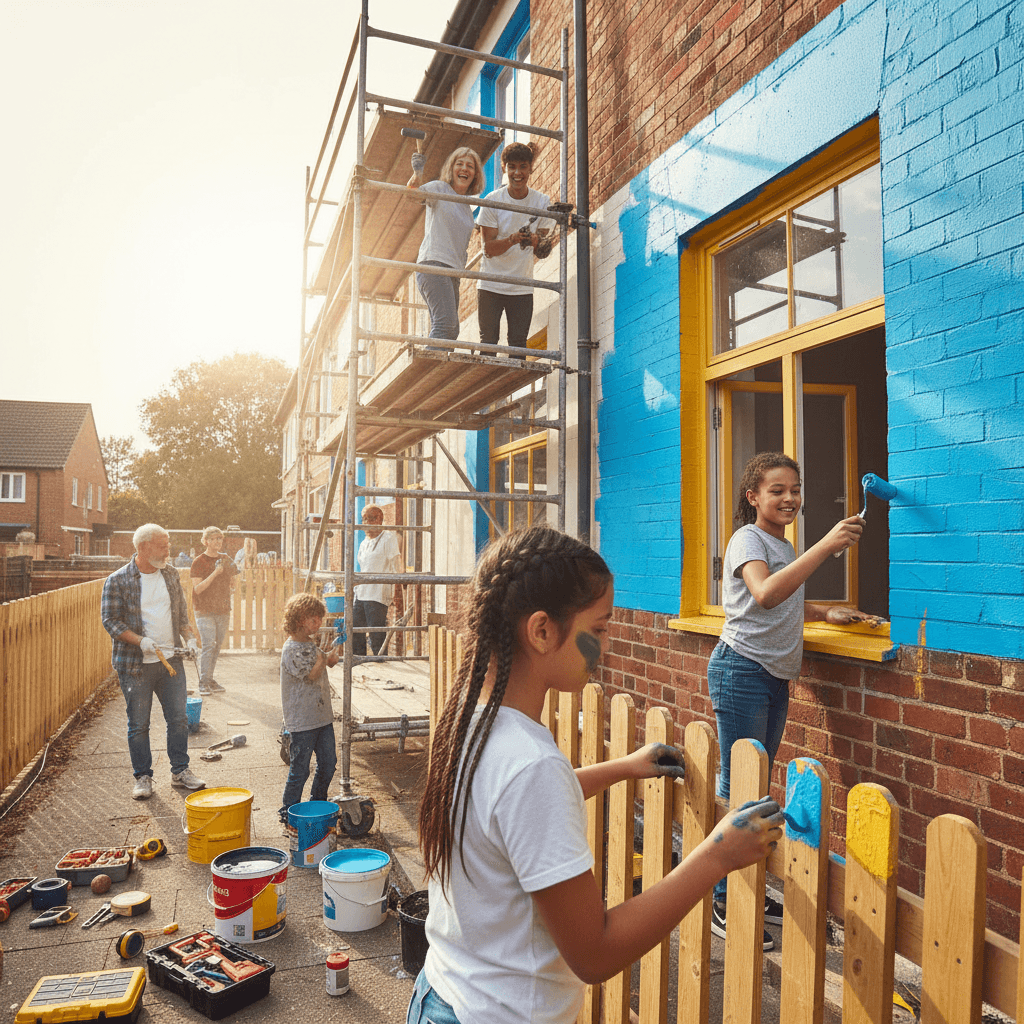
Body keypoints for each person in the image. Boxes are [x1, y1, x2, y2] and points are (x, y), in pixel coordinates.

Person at [408, 526, 783, 1024]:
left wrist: (624, 767)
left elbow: (507, 815)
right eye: (600, 628)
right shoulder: (529, 766)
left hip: (442, 992)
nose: (605, 646)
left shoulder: (468, 721)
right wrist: (716, 855)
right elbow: (595, 953)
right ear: (542, 630)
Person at [709, 452, 879, 949]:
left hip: (771, 676)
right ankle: (724, 901)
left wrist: (827, 613)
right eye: (777, 490)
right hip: (740, 670)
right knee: (741, 784)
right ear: (753, 496)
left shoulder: (782, 546)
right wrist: (826, 546)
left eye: (795, 490)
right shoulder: (748, 539)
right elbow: (763, 595)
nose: (789, 499)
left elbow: (783, 605)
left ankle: (750, 889)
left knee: (756, 785)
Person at [100, 523, 206, 800]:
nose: (168, 550)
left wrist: (190, 639)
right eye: (163, 545)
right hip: (136, 665)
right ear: (143, 547)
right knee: (139, 723)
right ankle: (143, 777)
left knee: (179, 719)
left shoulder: (169, 574)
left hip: (171, 661)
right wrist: (140, 640)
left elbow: (181, 614)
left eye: (168, 544)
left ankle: (180, 771)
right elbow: (110, 621)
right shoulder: (118, 580)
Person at [476, 142, 554, 347]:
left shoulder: (542, 202)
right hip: (490, 285)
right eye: (512, 167)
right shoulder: (493, 201)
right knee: (489, 343)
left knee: (518, 344)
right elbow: (488, 249)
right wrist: (512, 240)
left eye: (522, 167)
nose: (517, 173)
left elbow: (544, 250)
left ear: (530, 168)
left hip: (522, 287)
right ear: (504, 168)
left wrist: (535, 240)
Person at [407, 145, 486, 345]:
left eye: (470, 166)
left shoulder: (467, 209)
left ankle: (432, 368)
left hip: (453, 272)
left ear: (475, 174)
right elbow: (413, 195)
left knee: (451, 331)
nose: (464, 169)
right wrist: (417, 174)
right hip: (433, 265)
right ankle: (425, 373)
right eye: (459, 164)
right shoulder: (439, 188)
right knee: (445, 325)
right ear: (451, 168)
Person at [278, 593, 338, 824]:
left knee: (329, 762)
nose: (319, 624)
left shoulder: (309, 644)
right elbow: (313, 674)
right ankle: (288, 811)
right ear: (301, 619)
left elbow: (328, 662)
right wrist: (322, 656)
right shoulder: (292, 649)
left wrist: (334, 649)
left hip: (322, 717)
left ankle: (317, 802)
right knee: (300, 769)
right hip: (302, 720)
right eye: (315, 620)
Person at [190, 526, 239, 696]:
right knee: (209, 644)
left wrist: (231, 585)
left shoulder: (226, 559)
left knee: (216, 646)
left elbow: (234, 579)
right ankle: (203, 682)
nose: (218, 541)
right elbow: (197, 589)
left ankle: (210, 679)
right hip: (204, 610)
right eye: (214, 538)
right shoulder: (199, 561)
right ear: (206, 541)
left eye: (220, 538)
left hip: (222, 609)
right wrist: (216, 573)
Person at [353, 505, 403, 657]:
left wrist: (397, 590)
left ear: (380, 519)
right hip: (361, 593)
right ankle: (359, 665)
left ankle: (381, 666)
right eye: (365, 519)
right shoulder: (363, 543)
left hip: (377, 595)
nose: (367, 522)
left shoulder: (388, 538)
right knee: (355, 631)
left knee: (376, 635)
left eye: (372, 518)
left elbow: (396, 566)